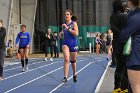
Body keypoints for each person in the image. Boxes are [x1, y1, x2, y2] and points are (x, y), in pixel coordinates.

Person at [119, 0, 140, 93]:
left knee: (135, 87)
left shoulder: (136, 16)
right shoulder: (134, 14)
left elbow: (123, 36)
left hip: (136, 56)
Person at [110, 0, 128, 93]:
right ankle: (124, 88)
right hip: (124, 44)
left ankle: (116, 88)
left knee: (119, 67)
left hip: (116, 44)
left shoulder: (112, 16)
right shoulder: (124, 16)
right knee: (125, 67)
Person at [59, 10, 78, 83]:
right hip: (65, 43)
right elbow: (62, 33)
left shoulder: (74, 23)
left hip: (73, 44)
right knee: (66, 59)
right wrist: (60, 34)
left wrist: (67, 28)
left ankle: (74, 73)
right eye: (65, 14)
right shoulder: (63, 25)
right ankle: (65, 77)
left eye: (67, 14)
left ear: (70, 16)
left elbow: (76, 33)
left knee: (73, 62)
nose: (66, 16)